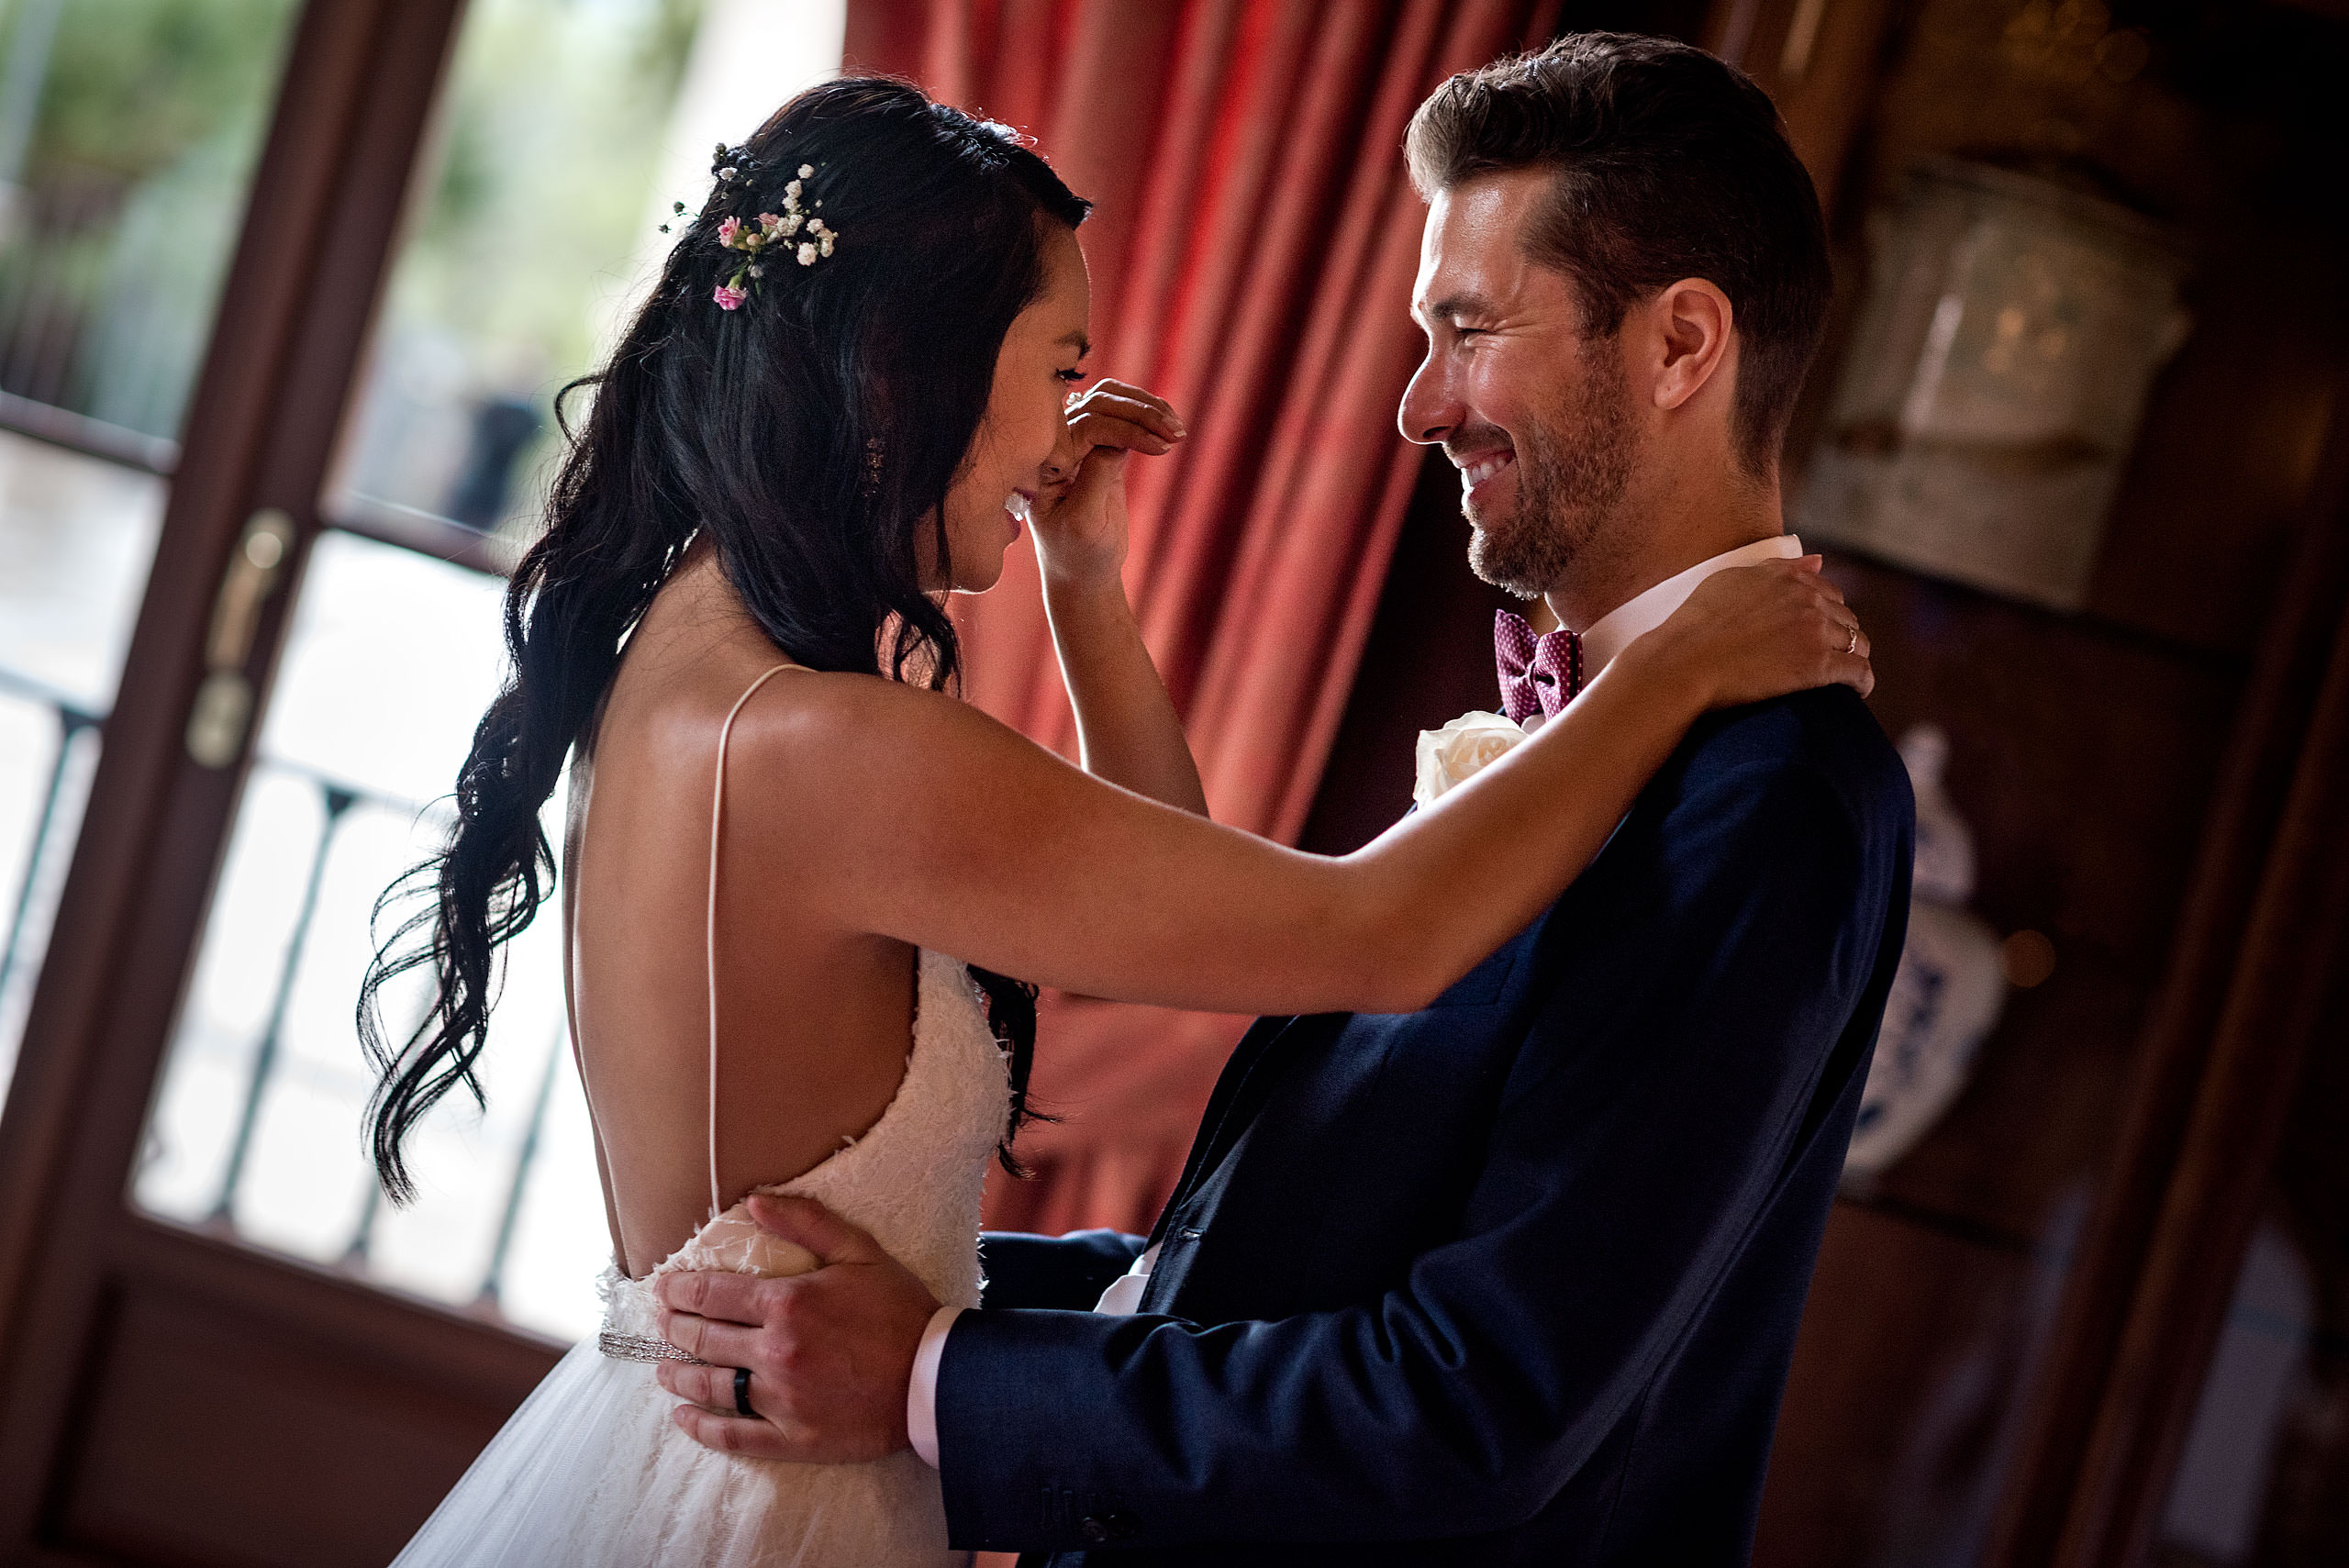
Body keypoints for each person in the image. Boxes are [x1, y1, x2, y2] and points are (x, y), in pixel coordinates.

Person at [370, 69, 1871, 1568]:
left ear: (1682, 343)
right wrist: (1669, 670)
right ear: (910, 365)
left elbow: (1483, 1390)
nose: (1417, 405)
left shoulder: (696, 674)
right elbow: (1370, 931)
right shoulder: (828, 744)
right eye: (1057, 360)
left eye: (1466, 331)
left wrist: (1090, 595)